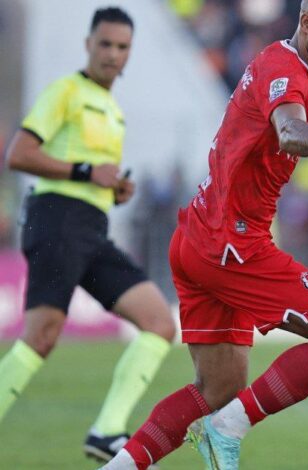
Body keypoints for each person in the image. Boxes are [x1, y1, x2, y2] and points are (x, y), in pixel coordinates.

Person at [101, 1, 308, 469]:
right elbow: (290, 131)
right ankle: (228, 427)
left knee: (219, 388)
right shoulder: (283, 69)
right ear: (306, 22)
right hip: (232, 244)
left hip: (200, 237)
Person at [0, 7, 175, 464]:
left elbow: (92, 179)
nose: (112, 54)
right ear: (88, 45)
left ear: (129, 53)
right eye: (105, 44)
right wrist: (84, 172)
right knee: (41, 337)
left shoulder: (113, 111)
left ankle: (106, 431)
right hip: (56, 219)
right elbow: (18, 154)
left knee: (159, 322)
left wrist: (114, 190)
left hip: (92, 228)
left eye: (122, 47)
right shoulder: (66, 92)